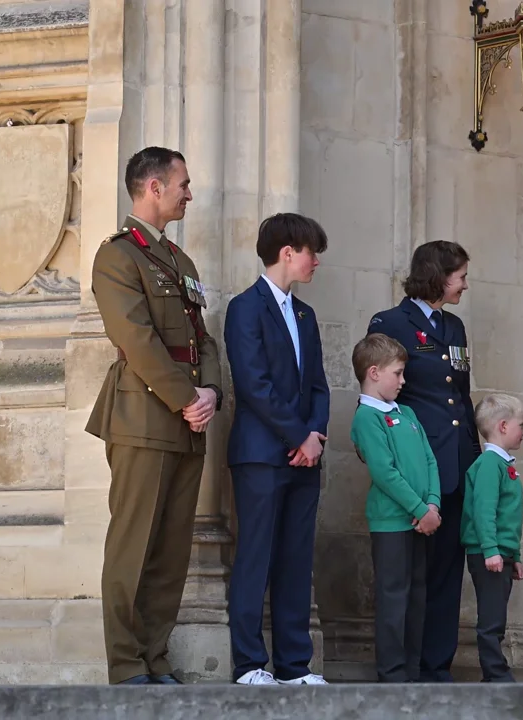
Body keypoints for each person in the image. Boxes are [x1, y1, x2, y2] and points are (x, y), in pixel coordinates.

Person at [86, 146, 223, 685]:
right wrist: (188, 399)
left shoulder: (181, 263)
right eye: (183, 183)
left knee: (170, 553)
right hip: (143, 417)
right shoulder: (117, 256)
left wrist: (211, 389)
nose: (190, 193)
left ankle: (155, 657)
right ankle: (125, 665)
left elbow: (203, 338)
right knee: (133, 547)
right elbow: (136, 340)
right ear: (154, 188)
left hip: (187, 423)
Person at [224, 212, 331, 686]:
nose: (316, 263)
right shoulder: (245, 308)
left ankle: (293, 666)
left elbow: (321, 387)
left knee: (295, 560)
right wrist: (299, 437)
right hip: (262, 454)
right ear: (288, 252)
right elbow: (254, 384)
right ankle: (249, 664)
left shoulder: (306, 316)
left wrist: (315, 437)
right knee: (256, 557)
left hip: (304, 457)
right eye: (312, 253)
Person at [365, 241, 475, 682]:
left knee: (448, 573)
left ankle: (436, 666)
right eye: (461, 275)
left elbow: (461, 395)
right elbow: (380, 397)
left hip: (458, 461)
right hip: (417, 470)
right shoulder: (391, 323)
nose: (466, 284)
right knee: (410, 577)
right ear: (438, 274)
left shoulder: (456, 327)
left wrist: (475, 455)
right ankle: (402, 668)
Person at [349, 333, 442, 683]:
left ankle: (412, 671)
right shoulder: (367, 419)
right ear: (374, 373)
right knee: (394, 600)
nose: (403, 381)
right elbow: (385, 472)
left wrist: (431, 504)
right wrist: (420, 508)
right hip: (392, 523)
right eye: (398, 374)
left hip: (420, 521)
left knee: (417, 599)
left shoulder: (408, 412)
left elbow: (429, 460)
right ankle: (392, 675)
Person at [461, 393, 523, 683]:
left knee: (497, 617)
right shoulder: (489, 465)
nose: (522, 432)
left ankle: (494, 673)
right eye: (520, 425)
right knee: (491, 619)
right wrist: (490, 550)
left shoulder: (502, 465)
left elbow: (509, 519)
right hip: (489, 552)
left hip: (501, 552)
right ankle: (495, 674)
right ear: (502, 426)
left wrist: (517, 556)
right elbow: (483, 510)